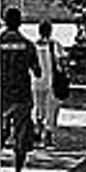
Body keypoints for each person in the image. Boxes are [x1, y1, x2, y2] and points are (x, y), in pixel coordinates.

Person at [0, 6, 41, 172]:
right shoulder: (28, 45)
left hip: (1, 95)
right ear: (20, 22)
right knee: (21, 135)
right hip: (22, 95)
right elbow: (37, 71)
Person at [34, 19, 67, 147]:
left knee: (38, 109)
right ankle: (47, 135)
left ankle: (38, 131)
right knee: (51, 110)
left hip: (36, 82)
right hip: (50, 82)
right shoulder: (55, 45)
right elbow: (62, 61)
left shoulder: (34, 45)